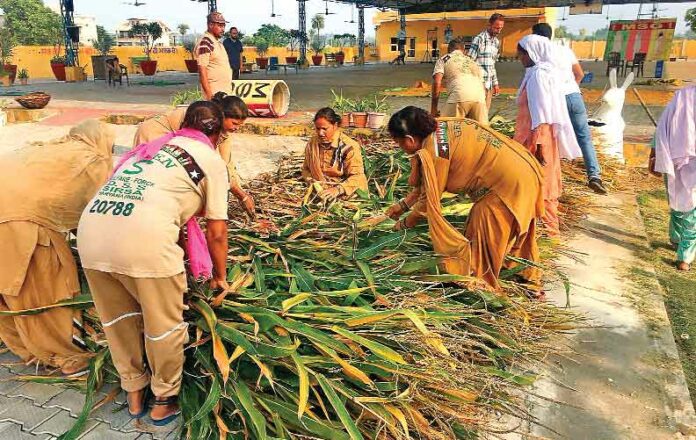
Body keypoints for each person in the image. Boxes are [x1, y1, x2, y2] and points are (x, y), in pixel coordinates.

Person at [77, 101, 230, 425]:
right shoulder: (211, 160)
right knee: (164, 328)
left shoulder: (151, 149)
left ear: (183, 125)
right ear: (216, 134)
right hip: (144, 239)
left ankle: (133, 392)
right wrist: (220, 276)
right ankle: (163, 399)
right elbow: (216, 231)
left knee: (119, 320)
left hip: (91, 233)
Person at [384, 107, 544, 293]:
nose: (399, 147)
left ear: (410, 139)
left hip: (505, 185)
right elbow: (424, 185)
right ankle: (528, 280)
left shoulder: (435, 151)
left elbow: (429, 200)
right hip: (525, 170)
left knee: (481, 240)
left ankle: (484, 291)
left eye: (398, 142)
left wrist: (402, 226)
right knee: (519, 237)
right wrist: (401, 206)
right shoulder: (440, 126)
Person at [0, 120, 115, 375]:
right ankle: (64, 355)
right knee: (48, 288)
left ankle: (24, 347)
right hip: (19, 223)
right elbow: (95, 215)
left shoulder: (49, 149)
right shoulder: (91, 160)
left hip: (8, 211)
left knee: (8, 290)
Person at [133, 93, 255, 217]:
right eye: (234, 123)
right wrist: (240, 195)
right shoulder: (203, 120)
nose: (237, 128)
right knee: (152, 176)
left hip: (175, 138)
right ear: (222, 116)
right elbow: (204, 160)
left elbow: (226, 165)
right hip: (154, 134)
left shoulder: (222, 133)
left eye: (240, 125)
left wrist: (242, 195)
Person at [514, 34, 582, 237]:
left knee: (539, 186)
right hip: (536, 137)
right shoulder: (543, 73)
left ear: (532, 53)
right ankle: (540, 233)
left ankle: (546, 234)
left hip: (535, 140)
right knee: (540, 185)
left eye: (522, 55)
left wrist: (539, 146)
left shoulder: (538, 77)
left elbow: (542, 114)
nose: (521, 60)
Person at [532, 23, 608, 195]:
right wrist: (572, 87)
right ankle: (594, 176)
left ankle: (556, 177)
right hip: (574, 96)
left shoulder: (538, 54)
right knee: (584, 138)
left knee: (552, 138)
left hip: (554, 98)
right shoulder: (565, 50)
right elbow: (579, 74)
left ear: (535, 37)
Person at [650, 85, 696, 271]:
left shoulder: (681, 96)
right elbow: (664, 125)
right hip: (679, 157)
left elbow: (662, 127)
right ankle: (680, 245)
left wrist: (655, 153)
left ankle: (682, 250)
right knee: (683, 202)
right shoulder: (682, 96)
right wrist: (654, 155)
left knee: (682, 199)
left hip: (675, 156)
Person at [302, 107, 368, 201]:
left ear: (335, 125)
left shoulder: (348, 146)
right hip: (318, 189)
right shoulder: (312, 144)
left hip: (341, 189)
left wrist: (337, 190)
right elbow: (305, 169)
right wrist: (310, 180)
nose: (320, 133)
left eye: (325, 129)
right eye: (317, 129)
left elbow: (358, 176)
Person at [431, 39, 488, 124]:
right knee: (480, 133)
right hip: (480, 97)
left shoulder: (444, 59)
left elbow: (437, 82)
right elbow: (484, 87)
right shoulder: (472, 61)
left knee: (443, 127)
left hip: (460, 96)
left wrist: (434, 108)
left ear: (448, 50)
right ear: (463, 50)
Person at [468, 13, 504, 110]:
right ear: (489, 25)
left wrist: (495, 83)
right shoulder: (479, 39)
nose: (498, 31)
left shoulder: (496, 42)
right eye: (496, 28)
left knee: (485, 114)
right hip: (478, 84)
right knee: (475, 115)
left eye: (500, 28)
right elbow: (469, 62)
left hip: (489, 85)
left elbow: (492, 65)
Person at [196, 12, 232, 100]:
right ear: (210, 25)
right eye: (220, 26)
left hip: (224, 92)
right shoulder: (206, 42)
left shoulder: (217, 42)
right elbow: (202, 70)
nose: (223, 29)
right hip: (215, 95)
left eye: (224, 26)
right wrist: (209, 95)